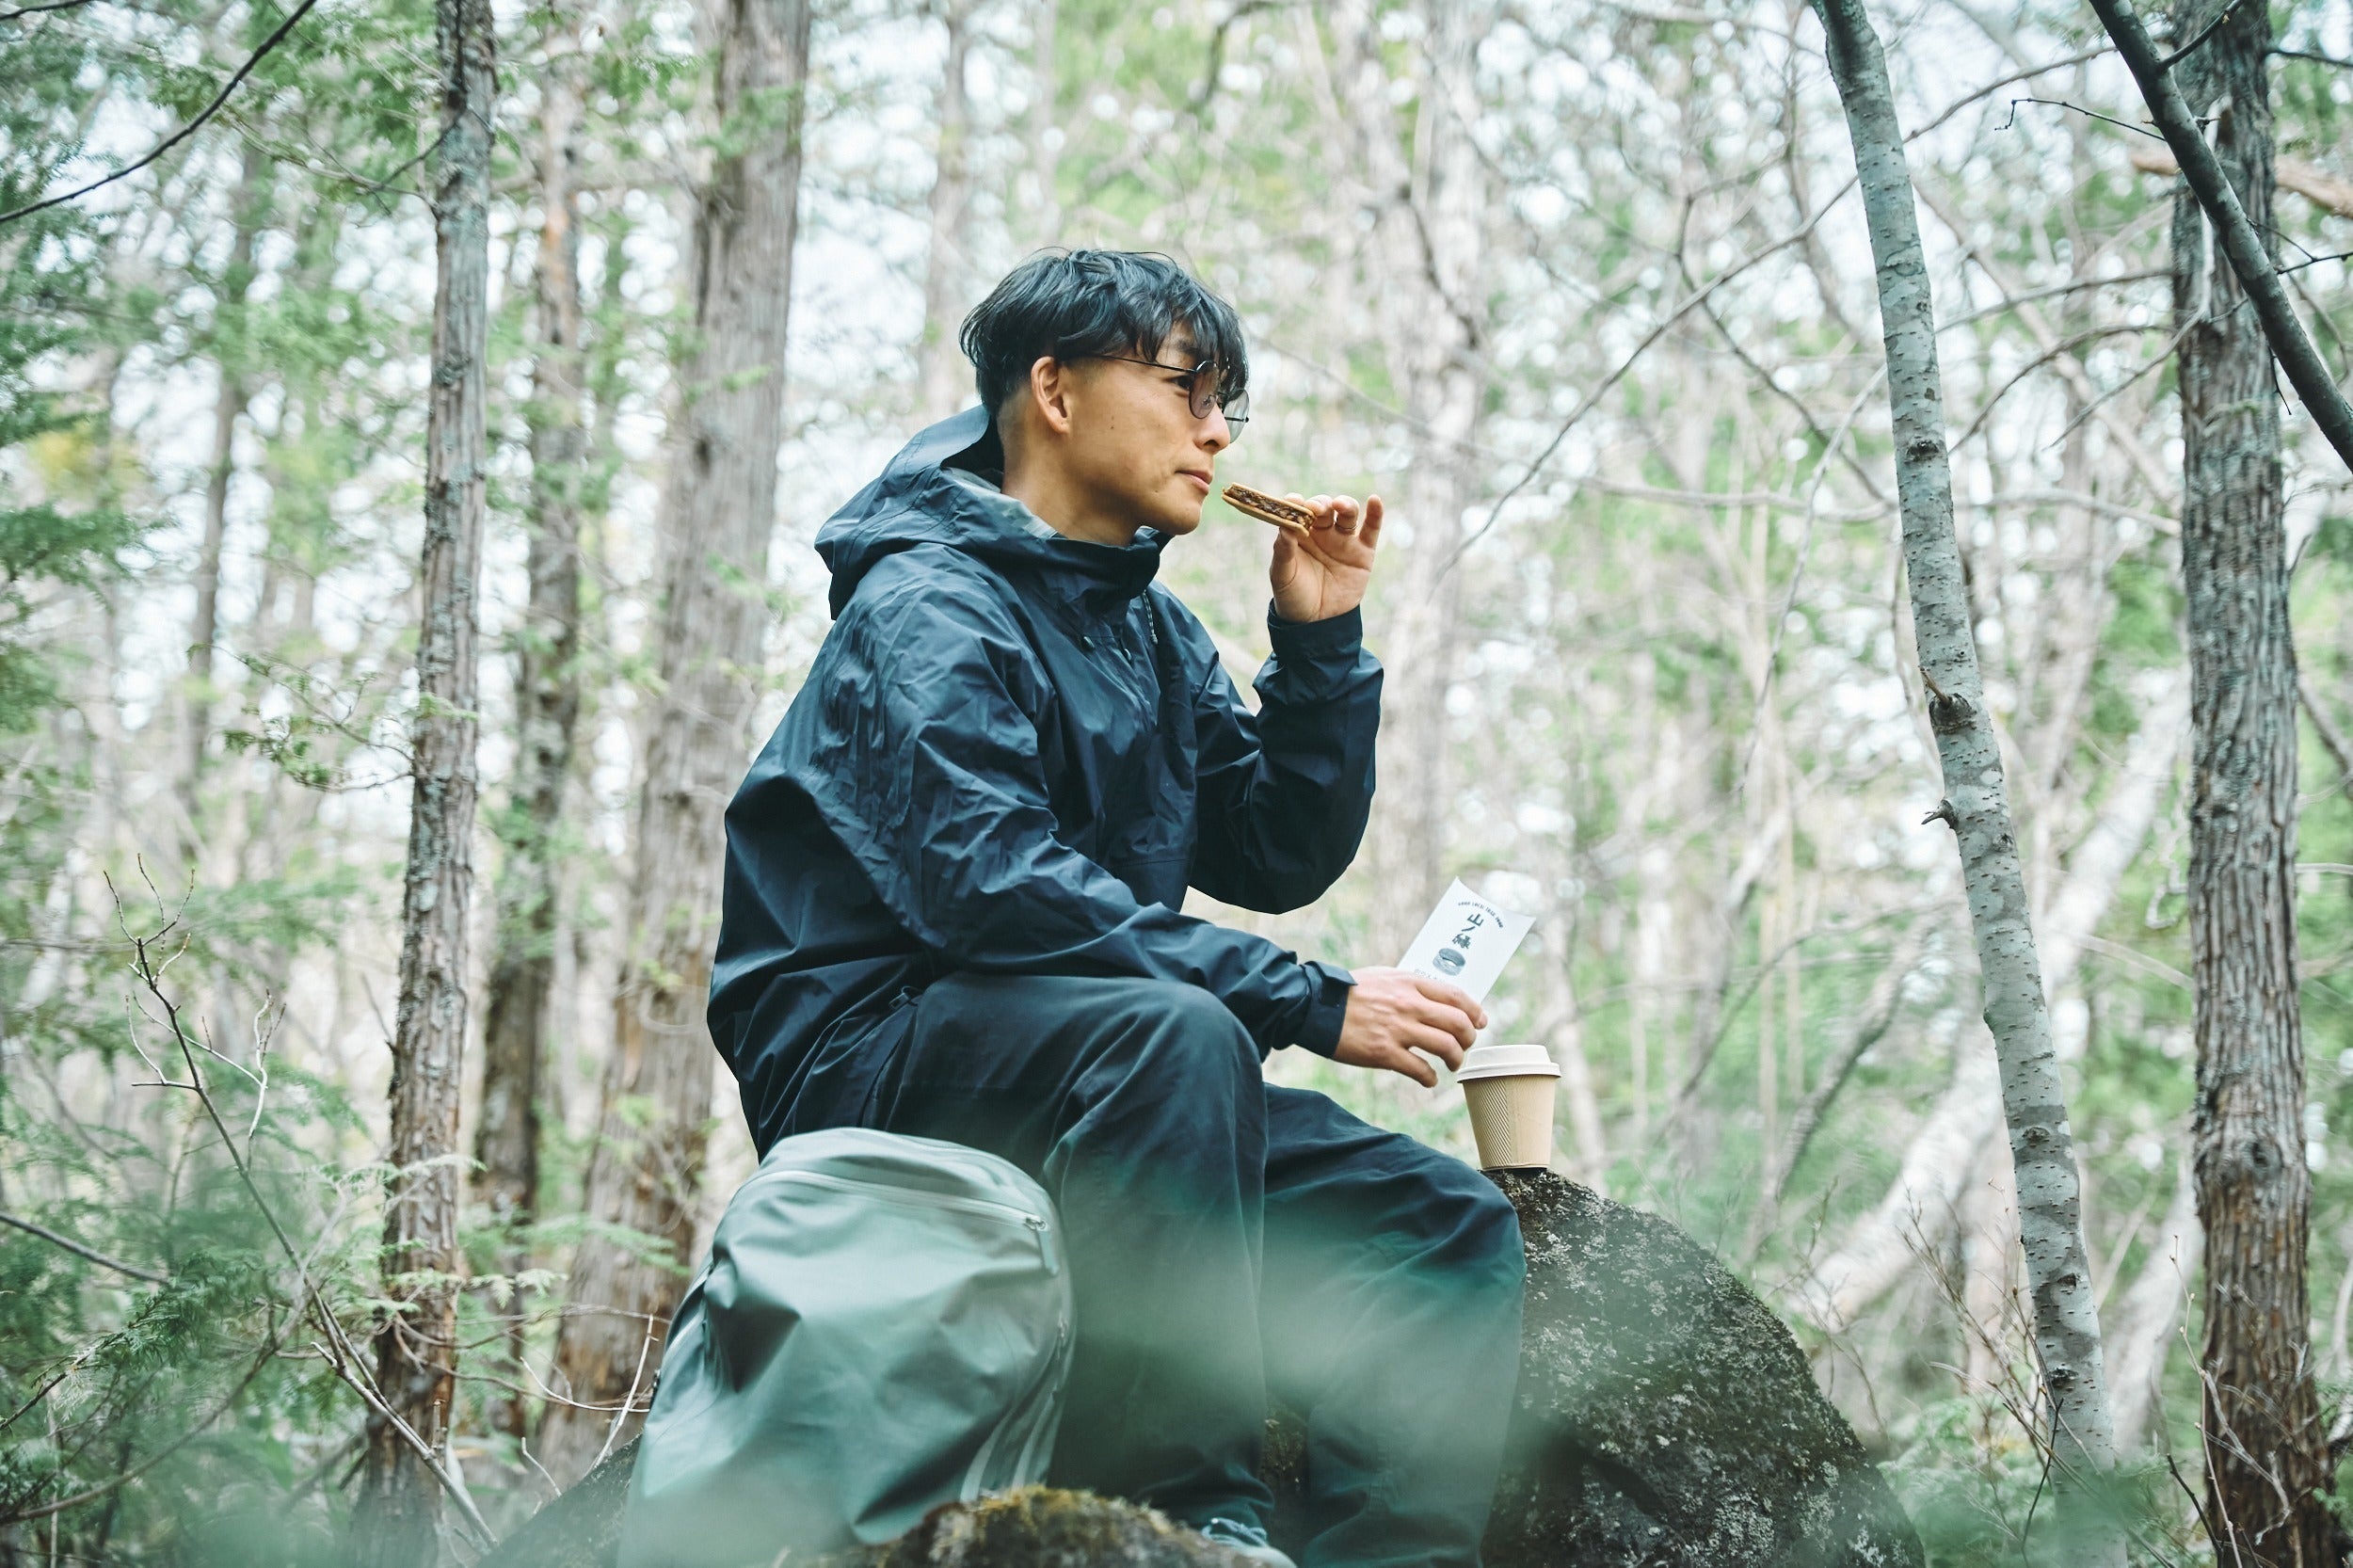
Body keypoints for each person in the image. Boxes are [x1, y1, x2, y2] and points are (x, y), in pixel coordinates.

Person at [710, 249, 1525, 1568]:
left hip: (1111, 1070)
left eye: (1226, 404)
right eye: (1186, 389)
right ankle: (1186, 1525)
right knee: (1181, 1035)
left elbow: (1272, 849)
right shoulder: (926, 602)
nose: (1217, 432)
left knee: (1436, 1226)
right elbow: (991, 887)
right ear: (1055, 391)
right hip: (872, 1056)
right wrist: (1312, 1001)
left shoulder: (1146, 631)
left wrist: (1319, 643)